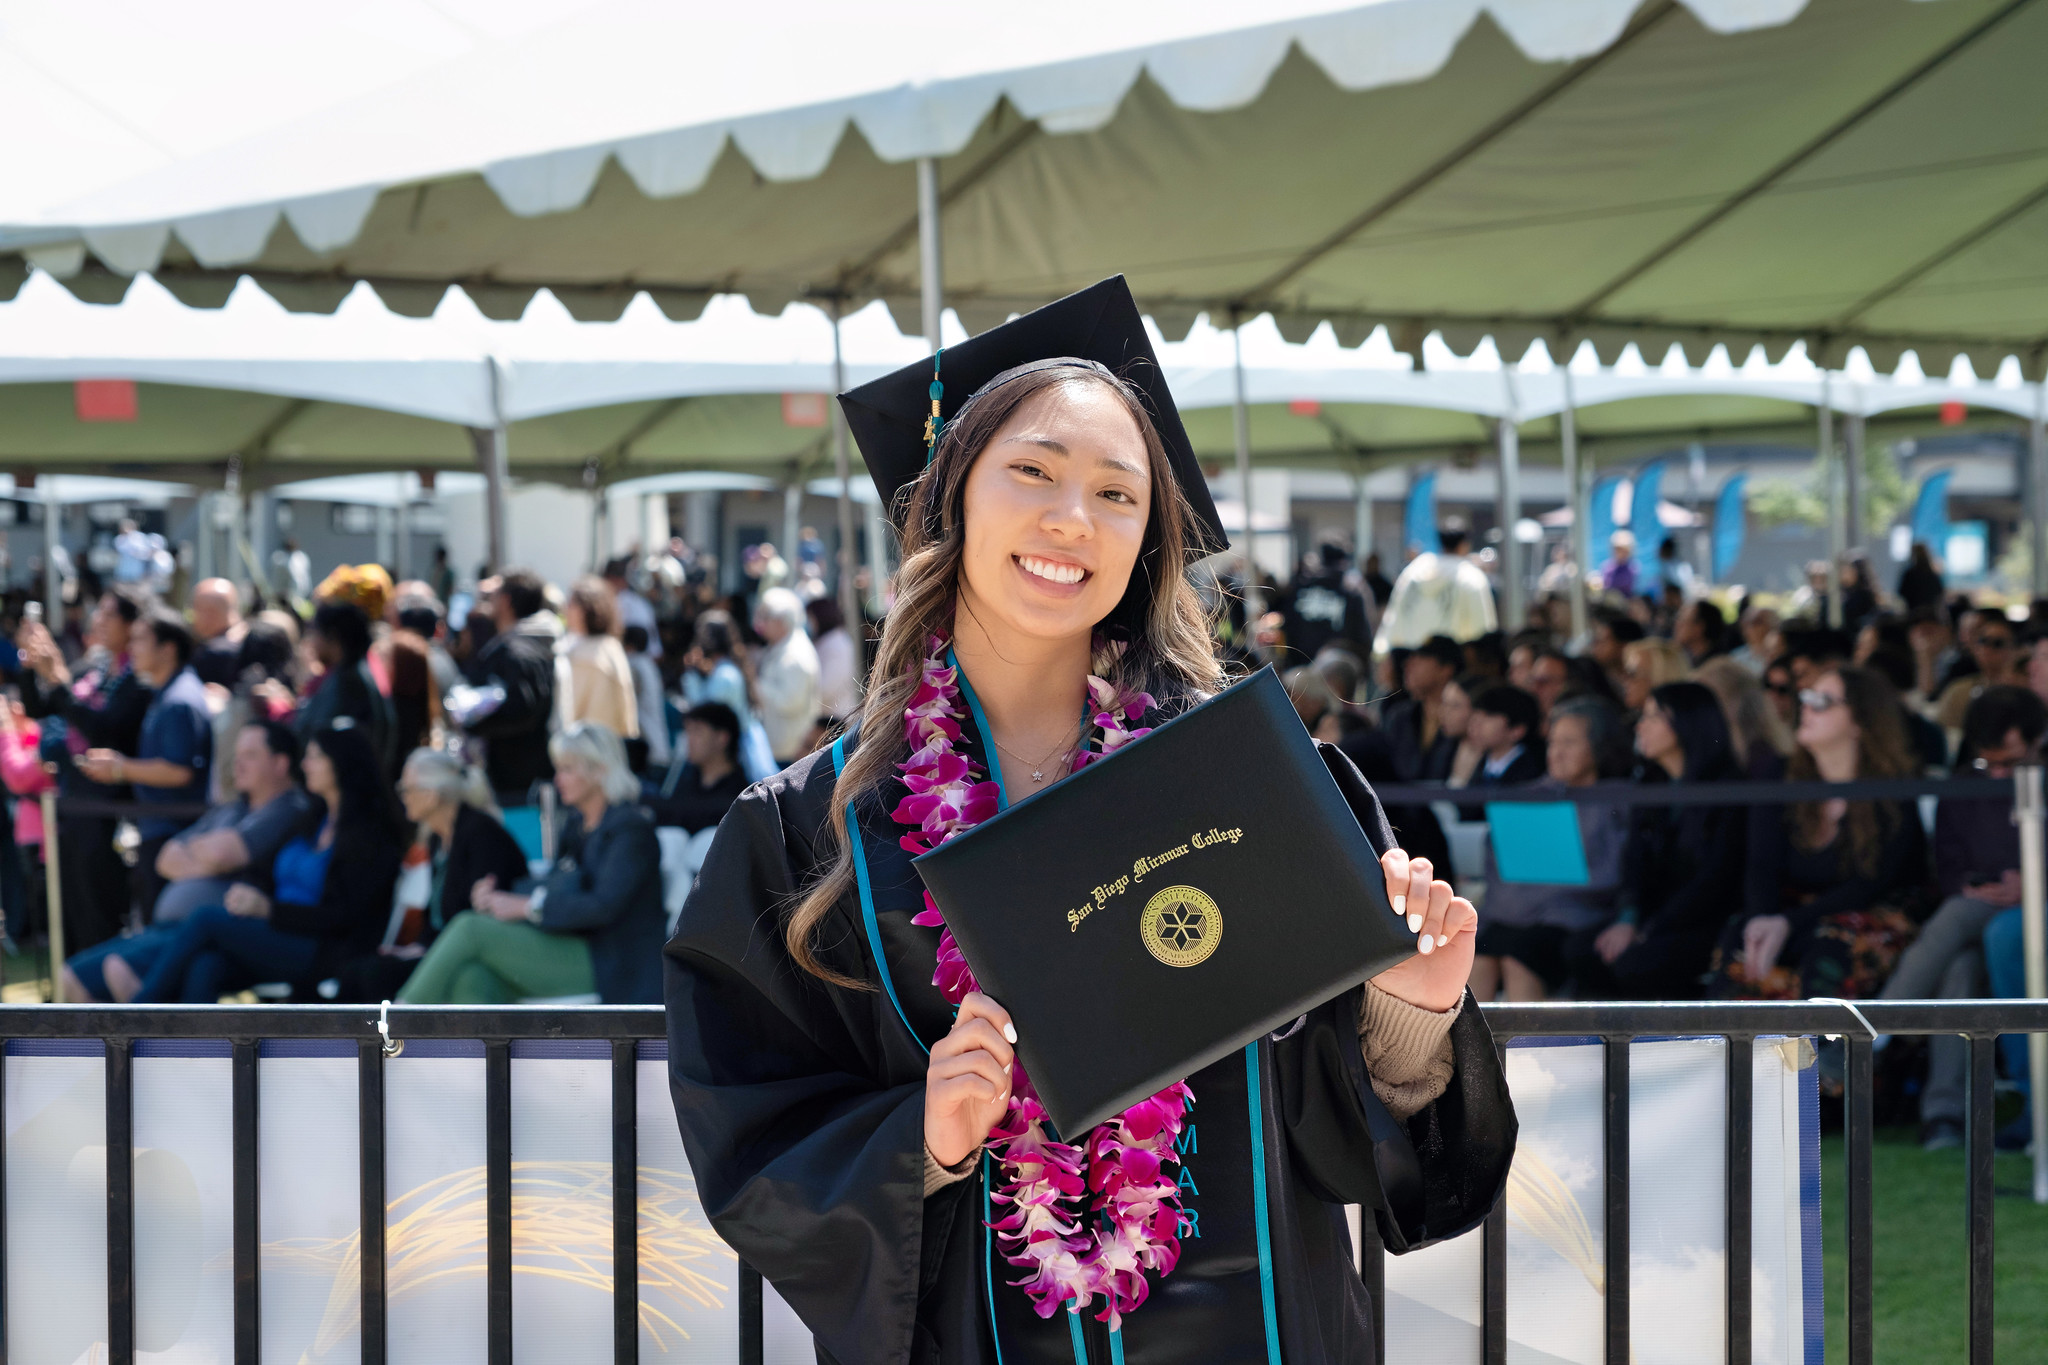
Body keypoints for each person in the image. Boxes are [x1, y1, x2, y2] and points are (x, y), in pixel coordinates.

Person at [667, 286, 1512, 1364]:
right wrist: (917, 1142)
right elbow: (751, 1131)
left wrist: (1410, 1019)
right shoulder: (813, 833)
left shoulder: (1246, 785)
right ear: (950, 497)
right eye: (1032, 470)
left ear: (1145, 540)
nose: (1073, 517)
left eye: (1118, 493)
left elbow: (1354, 1131)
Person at [126, 721, 400, 1002]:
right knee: (206, 967)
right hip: (279, 935)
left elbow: (342, 915)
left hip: (323, 948)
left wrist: (269, 910)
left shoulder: (370, 837)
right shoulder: (313, 819)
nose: (305, 765)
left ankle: (142, 1011)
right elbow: (263, 871)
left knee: (206, 918)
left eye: (316, 756)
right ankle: (192, 1045)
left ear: (342, 763)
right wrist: (249, 894)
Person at [1881, 687, 2043, 1149]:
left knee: (1963, 922)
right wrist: (1971, 885)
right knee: (1960, 965)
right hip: (1981, 903)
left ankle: (1877, 1030)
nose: (1996, 772)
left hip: (2026, 906)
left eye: (2009, 762)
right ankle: (1944, 1116)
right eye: (1987, 761)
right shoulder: (1962, 782)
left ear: (2035, 741)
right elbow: (1946, 862)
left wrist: (2033, 883)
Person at [401, 722, 664, 1004]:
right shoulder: (578, 826)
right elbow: (558, 887)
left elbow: (602, 906)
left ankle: (393, 1028)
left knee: (470, 928)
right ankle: (475, 1049)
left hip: (611, 962)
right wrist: (499, 899)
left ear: (599, 770)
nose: (557, 778)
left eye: (567, 769)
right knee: (473, 976)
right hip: (570, 944)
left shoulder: (631, 830)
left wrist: (526, 906)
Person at [1714, 666, 1927, 999]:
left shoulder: (1892, 789)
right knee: (1741, 936)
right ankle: (1728, 1049)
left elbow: (1872, 882)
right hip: (1801, 911)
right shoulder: (1780, 775)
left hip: (1870, 912)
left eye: (1822, 701)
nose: (1807, 708)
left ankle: (1825, 1051)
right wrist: (1761, 919)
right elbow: (1761, 863)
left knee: (1830, 945)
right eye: (1806, 698)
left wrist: (1788, 923)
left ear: (1860, 720)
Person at [1567, 682, 1745, 999]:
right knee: (1581, 950)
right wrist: (1628, 920)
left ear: (1685, 724)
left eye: (1652, 716)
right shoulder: (1651, 784)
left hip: (1705, 922)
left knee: (1636, 963)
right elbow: (1634, 862)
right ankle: (1593, 1048)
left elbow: (1715, 879)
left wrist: (1647, 931)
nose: (1640, 725)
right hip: (1653, 918)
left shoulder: (1727, 788)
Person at [16, 585, 156, 950]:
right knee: (72, 916)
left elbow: (103, 729)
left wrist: (59, 678)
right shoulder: (94, 669)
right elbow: (42, 710)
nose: (99, 621)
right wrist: (34, 667)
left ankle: (103, 1003)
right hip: (72, 808)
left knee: (99, 915)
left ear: (132, 625)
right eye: (100, 612)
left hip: (107, 813)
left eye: (110, 614)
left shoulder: (138, 678)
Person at [333, 748, 531, 1003]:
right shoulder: (440, 840)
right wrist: (419, 946)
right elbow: (439, 914)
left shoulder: (481, 833)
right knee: (356, 968)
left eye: (407, 788)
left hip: (475, 955)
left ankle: (388, 1038)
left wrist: (426, 950)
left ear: (433, 795)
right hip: (442, 948)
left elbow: (475, 915)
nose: (403, 796)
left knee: (375, 974)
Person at [1469, 698, 1628, 1001]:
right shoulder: (1525, 798)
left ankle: (1523, 1049)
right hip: (1512, 915)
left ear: (1598, 745)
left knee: (1521, 956)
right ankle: (1469, 1049)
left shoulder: (1617, 800)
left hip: (1575, 919)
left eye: (1569, 742)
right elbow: (1498, 867)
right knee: (1477, 954)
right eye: (1553, 741)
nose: (1557, 751)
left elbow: (1614, 875)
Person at [75, 609, 213, 920]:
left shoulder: (179, 700)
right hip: (162, 831)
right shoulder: (167, 693)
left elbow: (179, 771)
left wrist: (120, 768)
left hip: (173, 834)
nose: (132, 647)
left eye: (140, 639)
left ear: (168, 648)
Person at [461, 569, 560, 804]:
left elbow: (521, 710)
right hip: (521, 772)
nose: (487, 602)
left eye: (492, 595)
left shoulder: (518, 652)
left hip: (516, 778)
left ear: (505, 601)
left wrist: (473, 720)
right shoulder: (529, 643)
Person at [292, 602, 396, 777]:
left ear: (332, 637)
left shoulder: (351, 683)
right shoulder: (350, 673)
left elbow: (320, 735)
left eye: (315, 633)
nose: (311, 643)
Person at [1371, 520, 1497, 650]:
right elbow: (1483, 629)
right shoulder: (1471, 577)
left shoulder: (1414, 571)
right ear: (1464, 545)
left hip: (1411, 660)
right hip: (1452, 661)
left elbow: (1393, 620)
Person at [557, 576, 642, 744]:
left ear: (589, 609)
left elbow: (596, 714)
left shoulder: (597, 655)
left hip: (588, 748)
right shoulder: (582, 644)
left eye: (572, 603)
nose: (566, 608)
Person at [647, 701, 748, 833]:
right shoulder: (682, 784)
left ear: (722, 738)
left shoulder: (743, 796)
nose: (689, 740)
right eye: (687, 731)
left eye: (697, 731)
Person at [751, 586, 820, 766]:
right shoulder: (781, 647)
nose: (760, 623)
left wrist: (754, 684)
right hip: (780, 748)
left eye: (766, 617)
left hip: (791, 752)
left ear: (781, 621)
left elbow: (790, 701)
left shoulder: (795, 654)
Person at [1379, 634, 1462, 780]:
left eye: (1422, 658)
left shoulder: (1465, 718)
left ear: (1446, 669)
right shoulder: (1399, 716)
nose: (1408, 665)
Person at [1693, 656, 1792, 779]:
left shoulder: (1765, 759)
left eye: (1705, 702)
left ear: (1734, 704)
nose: (1696, 711)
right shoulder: (1709, 755)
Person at [1277, 541, 1374, 665]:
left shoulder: (1300, 588)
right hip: (1338, 676)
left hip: (1301, 671)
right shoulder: (1352, 591)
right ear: (1344, 560)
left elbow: (1287, 628)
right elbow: (1364, 637)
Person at [1932, 612, 2023, 732]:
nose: (1988, 649)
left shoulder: (2026, 691)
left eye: (1998, 643)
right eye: (1983, 641)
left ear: (2015, 649)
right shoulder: (1958, 692)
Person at [1463, 684, 1545, 794]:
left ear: (1517, 730)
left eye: (1487, 716)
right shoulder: (1481, 765)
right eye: (1475, 716)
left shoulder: (1532, 773)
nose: (1476, 724)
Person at [623, 625, 672, 771]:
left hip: (647, 749)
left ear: (629, 645)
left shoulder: (634, 665)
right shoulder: (650, 664)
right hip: (659, 743)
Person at [807, 595, 860, 725]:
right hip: (829, 715)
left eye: (810, 618)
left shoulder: (837, 644)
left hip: (838, 718)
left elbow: (826, 689)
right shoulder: (827, 642)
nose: (808, 623)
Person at [188, 577, 246, 687]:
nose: (195, 616)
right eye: (197, 609)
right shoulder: (250, 642)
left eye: (211, 611)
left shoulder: (215, 653)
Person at [1674, 599, 1726, 666]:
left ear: (1700, 627)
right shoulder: (1689, 660)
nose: (1677, 626)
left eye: (1682, 621)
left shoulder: (1718, 667)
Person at [1898, 542, 1944, 613]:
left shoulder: (1910, 574)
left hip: (1913, 613)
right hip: (1930, 615)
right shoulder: (1932, 574)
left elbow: (1902, 592)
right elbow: (1939, 592)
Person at [1597, 529, 1638, 596]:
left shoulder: (1633, 569)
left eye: (1623, 549)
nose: (1620, 552)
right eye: (1617, 549)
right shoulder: (1606, 567)